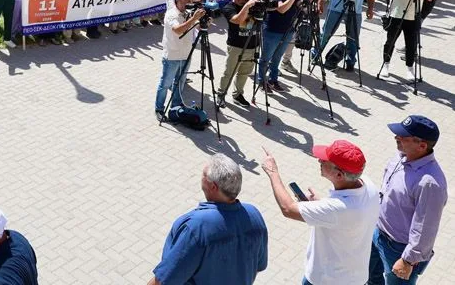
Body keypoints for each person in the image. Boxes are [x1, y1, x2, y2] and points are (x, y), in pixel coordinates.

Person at [262, 140, 379, 285]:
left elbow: (288, 209)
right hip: (355, 276)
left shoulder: (338, 209)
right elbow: (342, 215)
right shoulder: (368, 185)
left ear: (339, 175)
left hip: (326, 279)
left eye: (325, 161)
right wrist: (321, 203)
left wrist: (273, 172)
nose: (319, 160)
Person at [149, 154, 268, 285]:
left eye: (203, 175)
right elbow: (257, 266)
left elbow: (164, 280)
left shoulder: (195, 227)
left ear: (213, 187)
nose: (201, 177)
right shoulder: (254, 215)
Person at [369, 116, 447, 285]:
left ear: (422, 146)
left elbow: (426, 228)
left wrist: (408, 260)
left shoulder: (430, 183)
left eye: (403, 136)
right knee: (369, 278)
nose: (396, 137)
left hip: (399, 249)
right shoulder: (401, 156)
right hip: (378, 233)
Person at [315, 0, 375, 72]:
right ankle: (315, 55)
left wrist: (370, 8)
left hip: (355, 10)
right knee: (326, 33)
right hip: (335, 8)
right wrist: (320, 2)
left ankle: (350, 61)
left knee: (353, 37)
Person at [379, 0, 434, 81]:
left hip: (413, 16)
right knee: (390, 42)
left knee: (411, 45)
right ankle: (385, 65)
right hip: (397, 14)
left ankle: (410, 69)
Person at [154, 0, 205, 120]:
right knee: (165, 84)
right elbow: (178, 30)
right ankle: (159, 109)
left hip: (186, 54)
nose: (188, 0)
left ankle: (176, 105)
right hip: (172, 56)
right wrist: (193, 19)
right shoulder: (171, 14)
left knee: (180, 81)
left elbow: (198, 27)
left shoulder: (188, 12)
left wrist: (204, 22)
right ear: (177, 0)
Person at [258, 0, 306, 93]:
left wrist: (306, 1)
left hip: (288, 29)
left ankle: (273, 79)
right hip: (272, 30)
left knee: (278, 57)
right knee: (266, 58)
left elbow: (299, 6)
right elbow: (282, 9)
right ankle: (262, 81)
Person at [216, 0, 258, 108]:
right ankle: (221, 94)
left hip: (252, 44)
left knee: (245, 72)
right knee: (229, 72)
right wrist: (247, 7)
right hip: (236, 46)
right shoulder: (229, 7)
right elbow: (237, 20)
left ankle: (238, 94)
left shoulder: (254, 6)